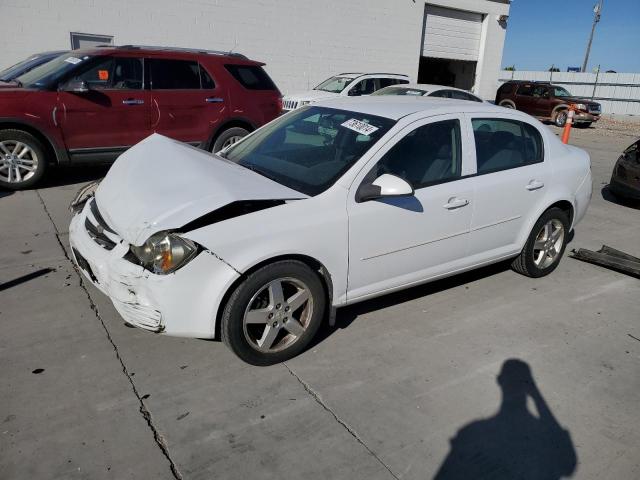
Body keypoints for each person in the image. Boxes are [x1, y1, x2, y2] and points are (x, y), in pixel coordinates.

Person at [434, 359, 577, 479]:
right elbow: (568, 465)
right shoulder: (544, 436)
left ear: (499, 381)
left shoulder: (472, 432)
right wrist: (536, 395)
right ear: (529, 386)